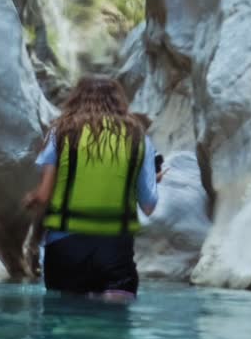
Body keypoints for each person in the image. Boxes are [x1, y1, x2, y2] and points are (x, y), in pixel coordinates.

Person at [23, 76, 163, 302]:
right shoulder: (138, 137)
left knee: (65, 325)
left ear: (76, 98)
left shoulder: (60, 132)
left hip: (65, 248)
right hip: (115, 250)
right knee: (112, 328)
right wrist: (153, 180)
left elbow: (43, 195)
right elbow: (149, 205)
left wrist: (29, 200)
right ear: (118, 100)